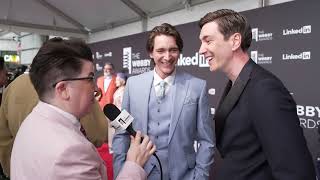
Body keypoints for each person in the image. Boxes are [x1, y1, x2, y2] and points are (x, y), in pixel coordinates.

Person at [10, 38, 156, 179]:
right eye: (89, 78)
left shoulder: (31, 121)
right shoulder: (70, 152)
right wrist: (134, 165)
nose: (97, 89)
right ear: (63, 89)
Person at [199, 9, 316, 180]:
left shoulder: (265, 90)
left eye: (208, 41)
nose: (201, 50)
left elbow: (296, 173)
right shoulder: (236, 83)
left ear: (235, 41)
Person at [113, 23, 215, 180]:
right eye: (160, 50)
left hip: (184, 175)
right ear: (150, 53)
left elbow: (207, 140)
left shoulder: (197, 87)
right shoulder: (133, 85)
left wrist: (199, 176)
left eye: (173, 50)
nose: (167, 57)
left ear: (179, 51)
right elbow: (121, 132)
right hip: (140, 174)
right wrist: (122, 171)